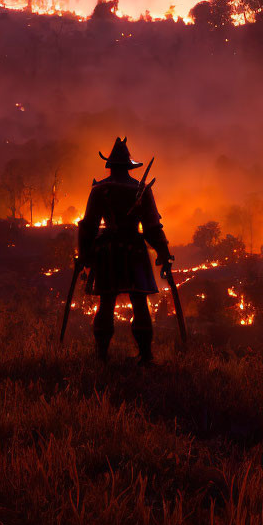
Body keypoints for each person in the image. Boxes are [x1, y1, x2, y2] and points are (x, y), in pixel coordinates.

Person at [77, 137, 172, 364]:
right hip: (135, 251)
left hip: (108, 251)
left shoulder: (100, 189)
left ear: (111, 165)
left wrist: (84, 254)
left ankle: (102, 356)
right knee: (139, 303)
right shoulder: (140, 190)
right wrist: (163, 252)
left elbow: (88, 226)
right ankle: (146, 356)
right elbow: (152, 227)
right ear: (129, 166)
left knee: (107, 303)